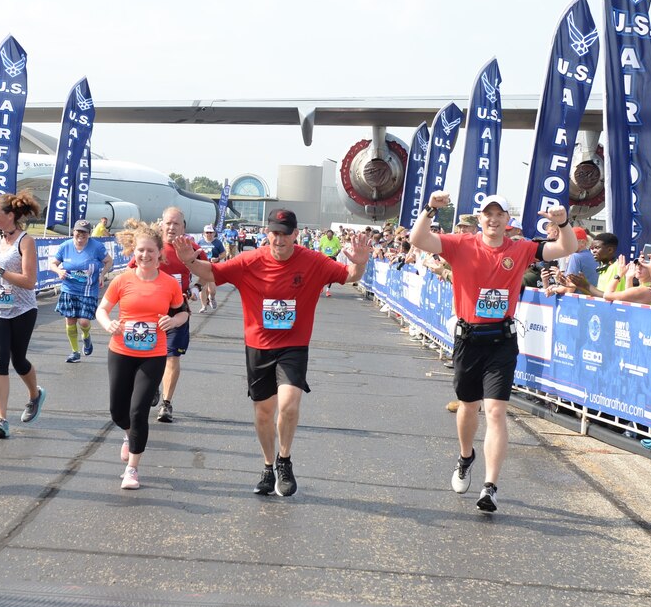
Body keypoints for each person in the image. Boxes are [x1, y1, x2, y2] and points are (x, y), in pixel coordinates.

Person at [172, 208, 372, 498]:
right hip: (258, 346)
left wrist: (361, 262)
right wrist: (188, 260)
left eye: (285, 233)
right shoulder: (250, 260)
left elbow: (350, 275)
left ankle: (285, 460)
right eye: (274, 232)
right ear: (268, 234)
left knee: (289, 404)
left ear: (295, 235)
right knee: (264, 413)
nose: (278, 239)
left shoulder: (313, 261)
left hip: (293, 346)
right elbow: (211, 272)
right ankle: (268, 465)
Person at [410, 192, 575, 513]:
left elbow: (567, 248)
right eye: (488, 214)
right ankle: (465, 456)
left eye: (500, 214)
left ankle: (490, 487)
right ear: (480, 219)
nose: (494, 219)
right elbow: (418, 238)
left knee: (496, 412)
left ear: (507, 221)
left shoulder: (521, 249)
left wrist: (563, 223)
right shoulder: (461, 244)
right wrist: (431, 209)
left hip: (501, 340)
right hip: (468, 339)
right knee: (469, 409)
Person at [97, 220, 189, 489]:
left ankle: (132, 469)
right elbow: (102, 310)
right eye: (140, 251)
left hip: (153, 353)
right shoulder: (122, 280)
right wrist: (108, 324)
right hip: (121, 351)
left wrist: (173, 321)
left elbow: (183, 312)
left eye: (150, 251)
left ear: (160, 253)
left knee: (138, 411)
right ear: (133, 252)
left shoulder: (169, 284)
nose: (145, 256)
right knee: (118, 411)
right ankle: (129, 435)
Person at [128, 206, 206, 423]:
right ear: (161, 223)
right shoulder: (150, 247)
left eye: (176, 224)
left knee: (172, 357)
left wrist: (197, 288)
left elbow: (208, 273)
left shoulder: (192, 248)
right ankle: (152, 385)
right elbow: (130, 272)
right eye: (168, 223)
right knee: (145, 355)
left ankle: (166, 403)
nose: (171, 227)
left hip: (177, 310)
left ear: (183, 227)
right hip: (148, 311)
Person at [0, 191, 46, 439]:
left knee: (18, 360)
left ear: (10, 215)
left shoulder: (25, 241)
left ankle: (35, 395)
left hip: (22, 309)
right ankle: (1, 419)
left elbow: (30, 282)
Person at [52, 219, 112, 362]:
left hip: (88, 289)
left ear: (89, 234)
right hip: (69, 289)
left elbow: (109, 261)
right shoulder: (65, 246)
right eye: (78, 231)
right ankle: (75, 352)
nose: (81, 235)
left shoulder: (96, 247)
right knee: (70, 321)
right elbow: (53, 263)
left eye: (84, 232)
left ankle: (86, 337)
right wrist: (58, 271)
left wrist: (102, 275)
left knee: (84, 322)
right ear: (73, 231)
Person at [198, 223, 225, 312]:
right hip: (202, 268)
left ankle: (211, 298)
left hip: (213, 268)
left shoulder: (217, 242)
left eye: (210, 232)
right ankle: (203, 306)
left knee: (212, 290)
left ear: (213, 233)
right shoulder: (200, 242)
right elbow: (195, 254)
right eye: (207, 232)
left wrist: (217, 258)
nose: (209, 234)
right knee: (202, 287)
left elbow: (224, 254)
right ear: (203, 233)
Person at [317, 229, 342, 297]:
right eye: (328, 236)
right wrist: (320, 253)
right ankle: (321, 287)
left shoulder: (336, 239)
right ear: (326, 235)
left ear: (333, 235)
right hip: (324, 258)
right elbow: (319, 247)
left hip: (332, 257)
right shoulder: (323, 238)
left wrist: (336, 253)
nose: (329, 238)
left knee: (331, 274)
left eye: (330, 237)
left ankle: (327, 290)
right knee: (322, 273)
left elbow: (339, 248)